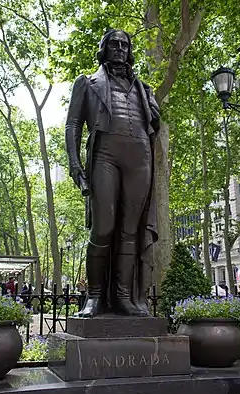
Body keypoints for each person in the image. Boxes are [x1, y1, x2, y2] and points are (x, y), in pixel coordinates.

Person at [65, 29, 160, 318]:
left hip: (140, 157)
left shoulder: (143, 89)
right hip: (105, 155)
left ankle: (123, 299)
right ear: (104, 48)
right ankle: (94, 298)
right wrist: (75, 167)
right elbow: (73, 126)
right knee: (103, 227)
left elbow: (153, 124)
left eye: (124, 45)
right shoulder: (87, 83)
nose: (119, 48)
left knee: (130, 231)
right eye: (113, 44)